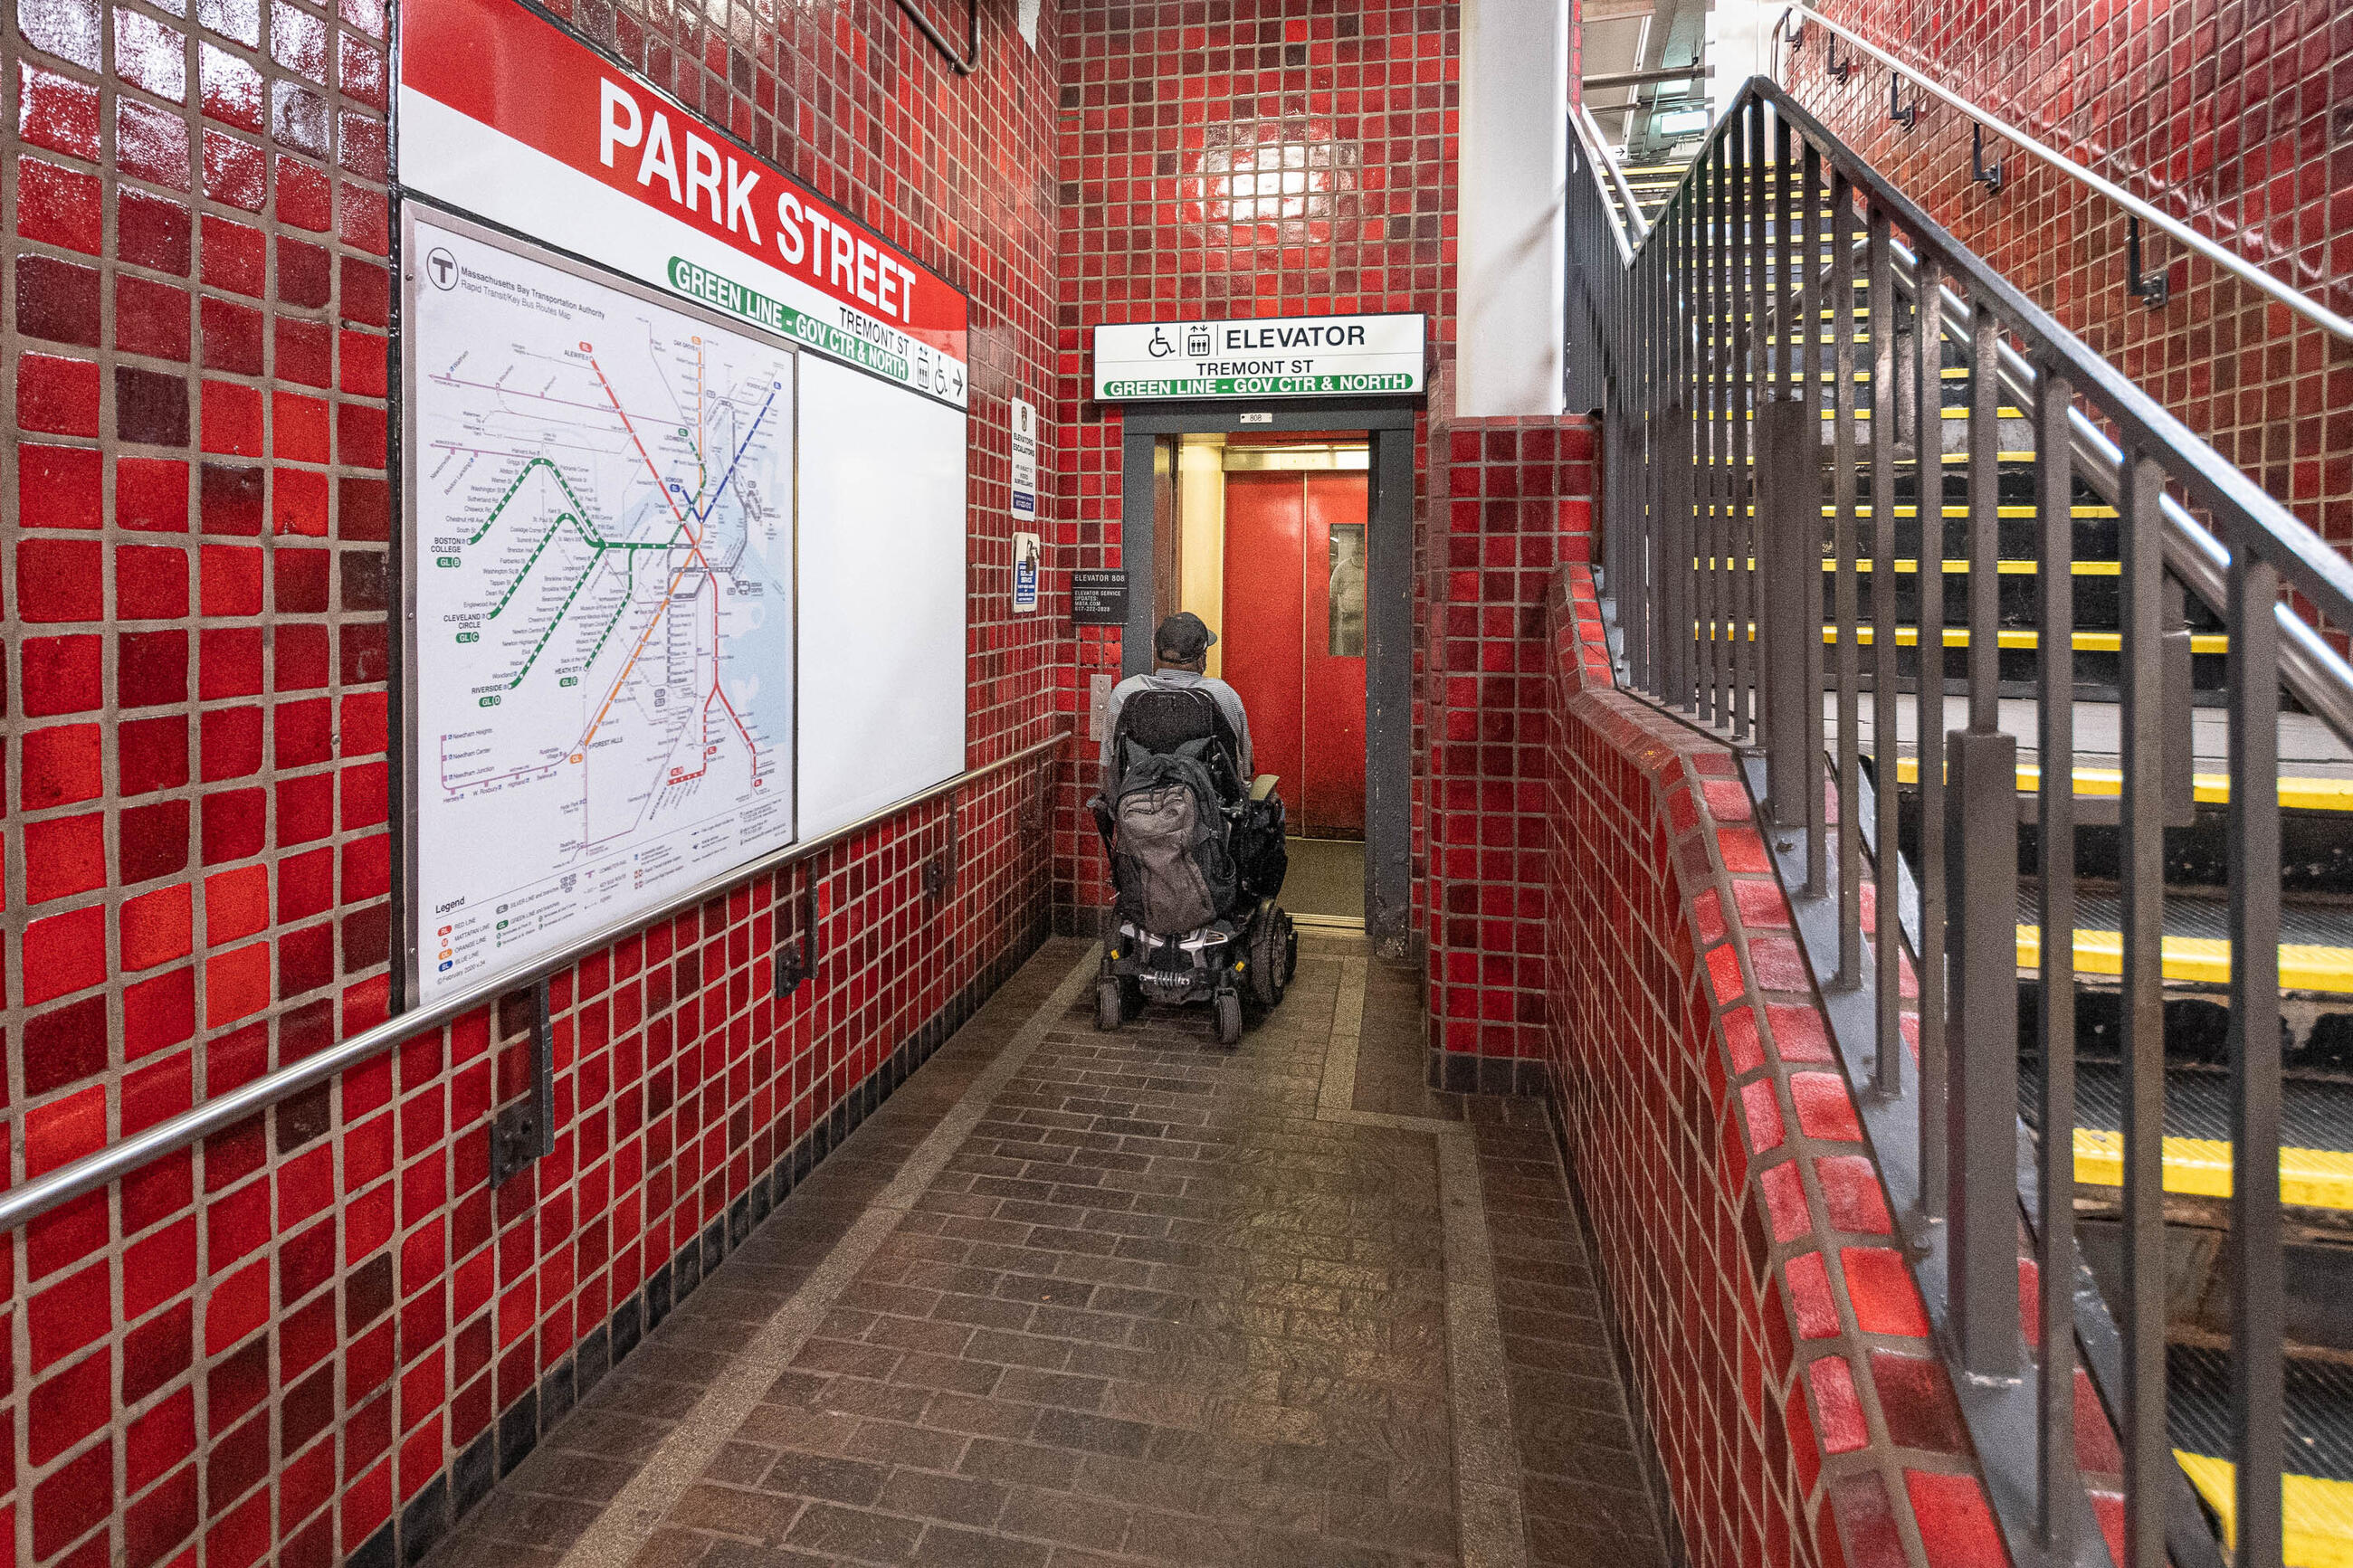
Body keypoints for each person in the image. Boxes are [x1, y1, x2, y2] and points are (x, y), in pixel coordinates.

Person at [1100, 611, 1253, 788]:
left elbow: (1107, 765)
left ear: (1157, 651)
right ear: (1202, 658)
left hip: (1136, 809)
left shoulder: (1125, 692)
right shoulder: (1222, 694)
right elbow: (1245, 766)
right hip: (1208, 811)